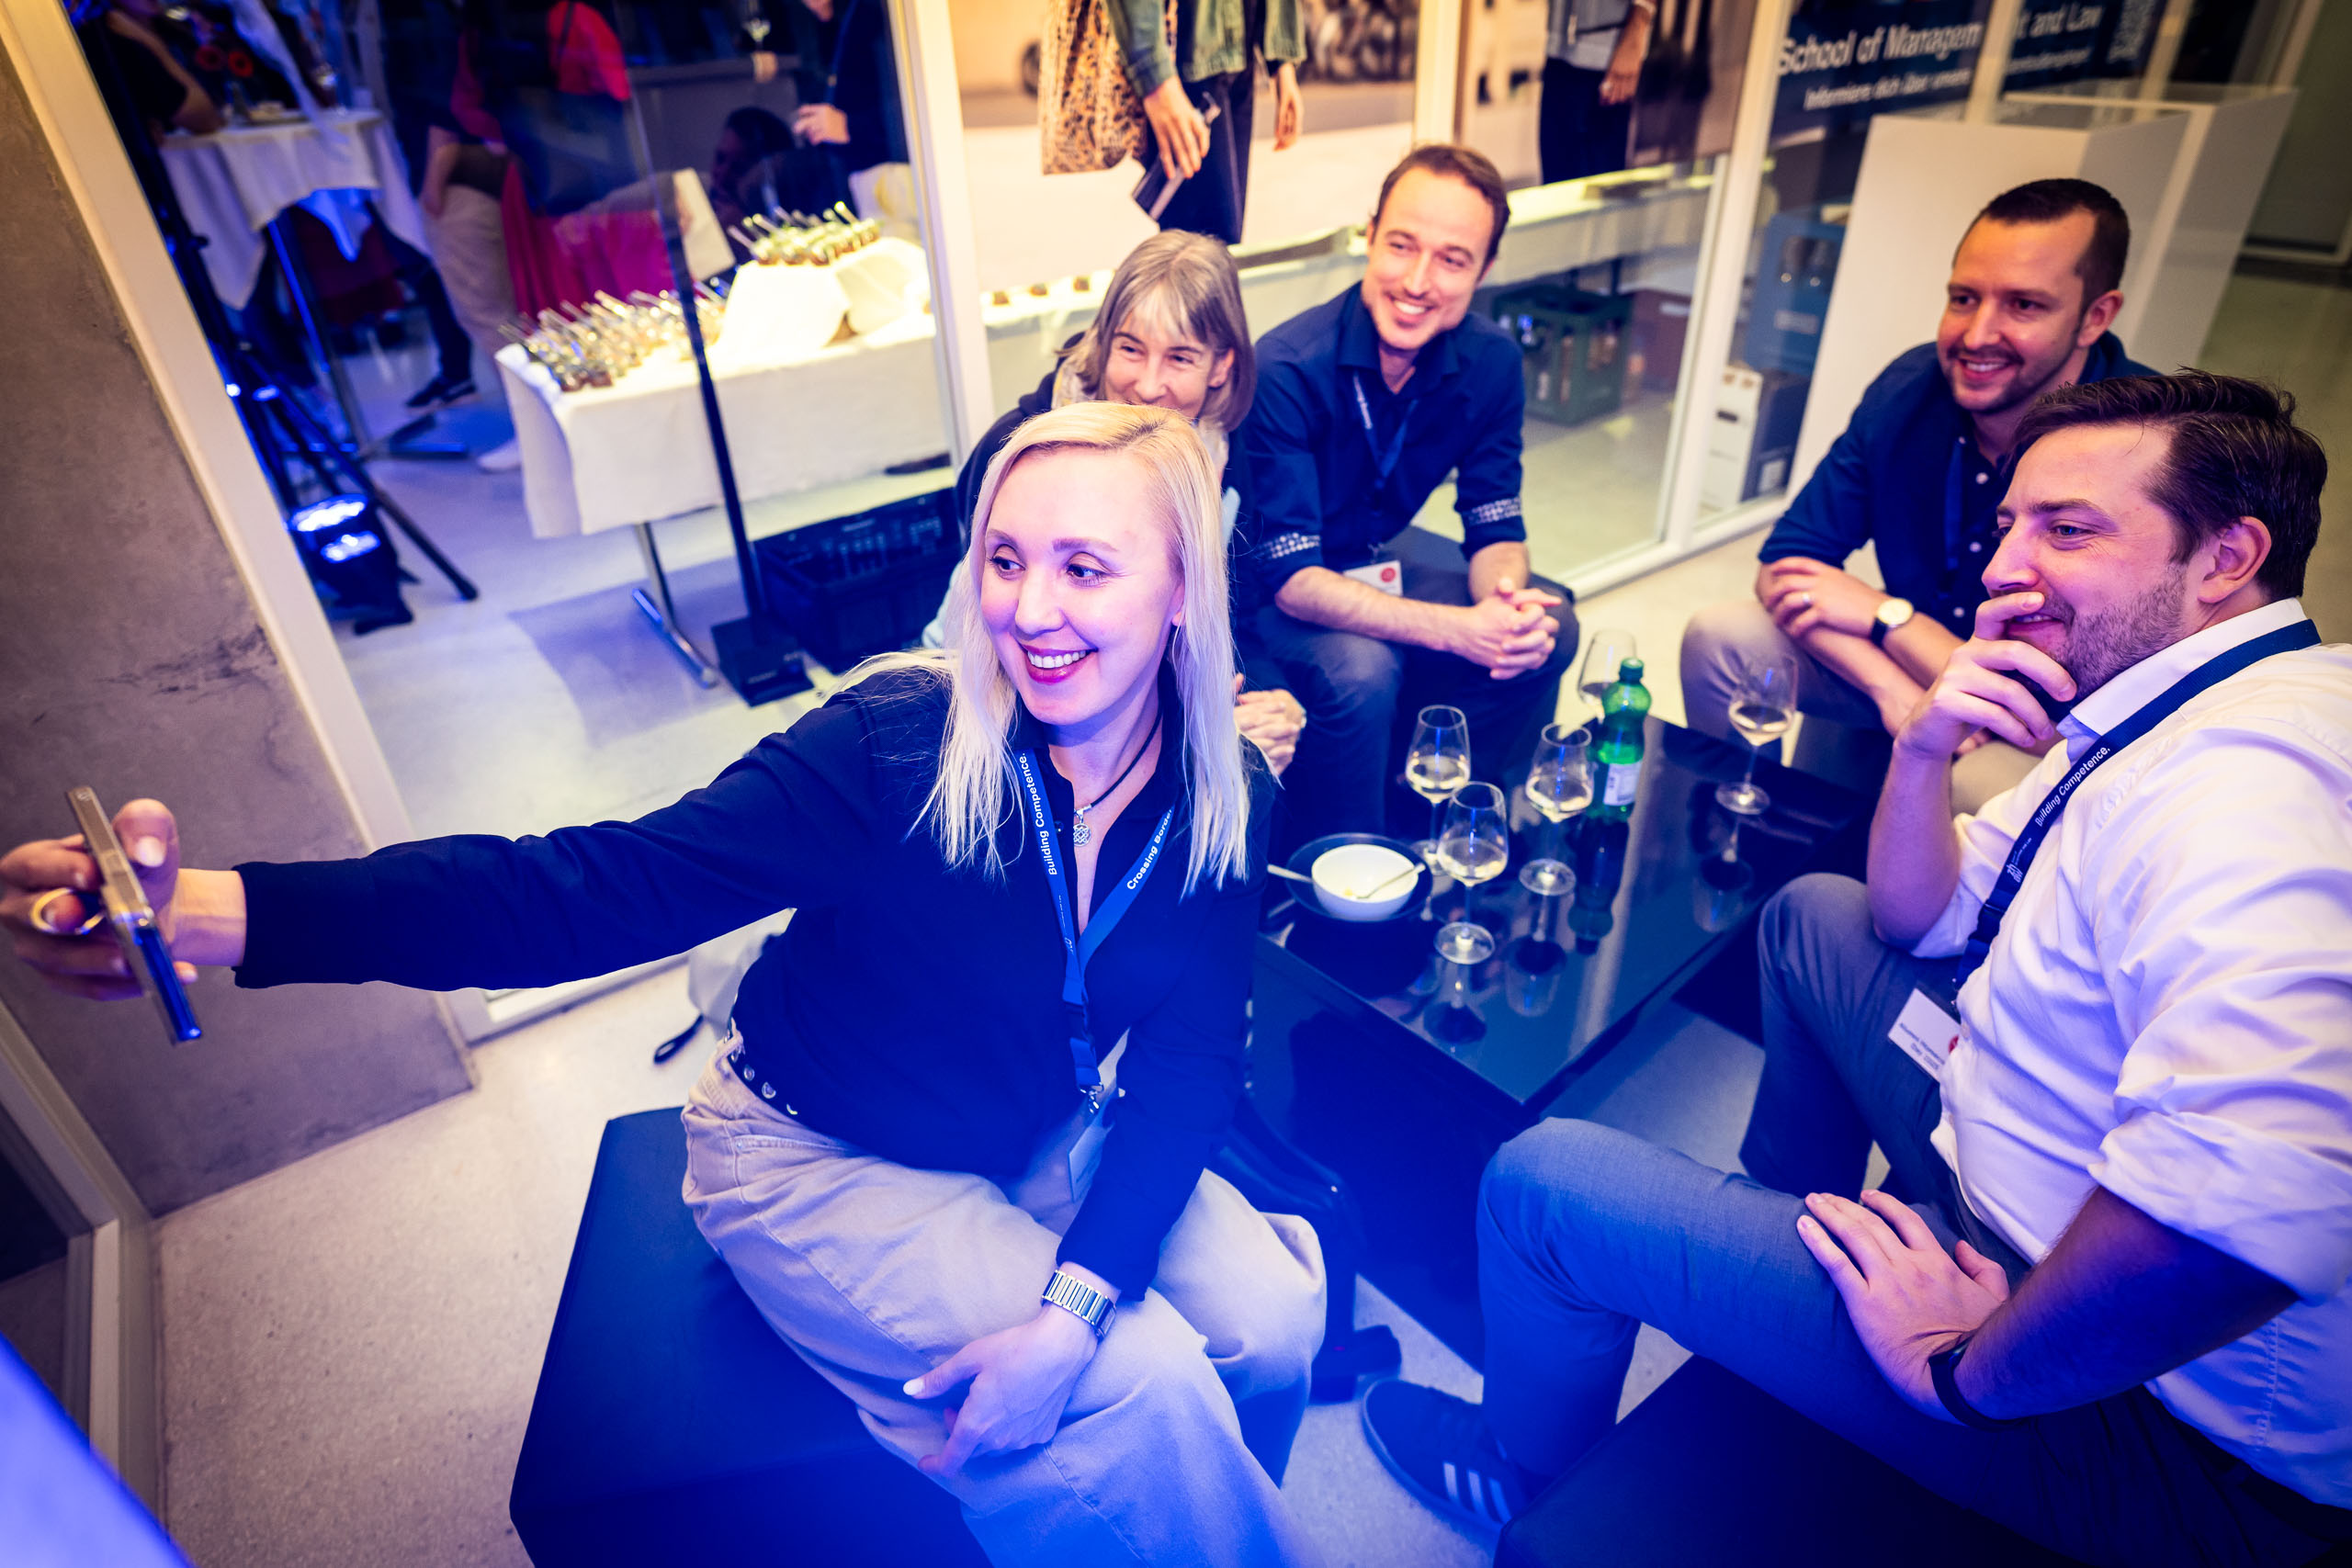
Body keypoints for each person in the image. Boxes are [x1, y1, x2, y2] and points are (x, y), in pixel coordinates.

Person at [0, 404, 1328, 1568]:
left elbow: (1190, 1067)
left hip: (1021, 1124)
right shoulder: (895, 747)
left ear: (1182, 593)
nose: (1027, 611)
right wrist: (228, 910)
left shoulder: (1223, 794)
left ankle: (1189, 1521)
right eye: (1005, 558)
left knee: (1275, 1315)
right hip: (811, 1151)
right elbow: (589, 888)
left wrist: (1075, 1297)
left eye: (1084, 567)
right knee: (1142, 1387)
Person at [1361, 372, 2352, 1565]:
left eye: (2068, 530)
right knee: (1814, 919)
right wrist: (1923, 743)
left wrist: (1960, 1370)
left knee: (1540, 1184)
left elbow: (2241, 1216)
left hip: (2151, 1423)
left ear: (2228, 557)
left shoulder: (2250, 785)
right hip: (2023, 1143)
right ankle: (1790, 1235)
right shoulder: (2177, 707)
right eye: (2012, 525)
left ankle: (1524, 1472)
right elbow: (1912, 917)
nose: (2003, 569)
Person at [1680, 178, 2154, 812]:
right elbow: (1785, 567)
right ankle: (1745, 836)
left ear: (2095, 316)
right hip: (1908, 667)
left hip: (2044, 724)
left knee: (1975, 784)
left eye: (2023, 305)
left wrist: (1890, 617)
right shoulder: (1910, 387)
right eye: (1964, 298)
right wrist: (1890, 688)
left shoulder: (2141, 444)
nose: (1977, 335)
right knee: (1722, 637)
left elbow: (2084, 708)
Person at [1241, 143, 1577, 844]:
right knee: (1362, 668)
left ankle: (1437, 808)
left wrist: (1506, 606)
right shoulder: (1287, 367)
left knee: (1550, 625)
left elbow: (1495, 526)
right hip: (1263, 596)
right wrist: (1460, 628)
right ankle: (1353, 860)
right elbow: (1295, 583)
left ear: (1485, 269)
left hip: (1369, 565)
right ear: (1370, 237)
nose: (1418, 281)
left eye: (1452, 259)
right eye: (1401, 245)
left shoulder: (1492, 362)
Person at [942, 230, 1306, 778]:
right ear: (1102, 342)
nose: (1148, 385)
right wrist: (1191, 724)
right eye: (1130, 349)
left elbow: (1230, 613)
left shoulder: (1222, 455)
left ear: (1221, 366)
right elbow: (997, 640)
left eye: (1179, 357)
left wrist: (1268, 700)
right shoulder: (1015, 449)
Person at [1114, 0, 1306, 244]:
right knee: (1203, 246)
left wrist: (1282, 63)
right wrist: (1154, 76)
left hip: (1241, 51)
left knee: (1222, 244)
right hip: (1188, 57)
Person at [1539, 0, 1652, 184]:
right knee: (1556, 182)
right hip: (1558, 46)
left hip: (1608, 53)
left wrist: (1637, 28)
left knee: (1602, 186)